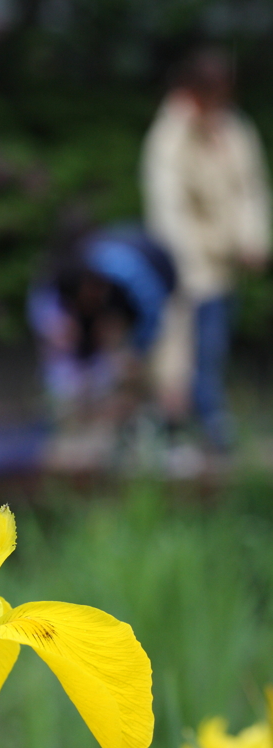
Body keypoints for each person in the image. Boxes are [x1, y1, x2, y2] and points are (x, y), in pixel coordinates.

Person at [141, 47, 271, 451]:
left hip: (222, 267)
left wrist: (254, 240)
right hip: (185, 266)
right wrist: (180, 263)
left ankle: (208, 432)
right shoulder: (170, 134)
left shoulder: (234, 129)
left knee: (211, 349)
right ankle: (192, 430)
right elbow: (167, 206)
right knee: (178, 357)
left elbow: (250, 189)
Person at [27, 223, 175, 427]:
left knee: (128, 369)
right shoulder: (53, 293)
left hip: (160, 268)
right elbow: (55, 341)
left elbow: (152, 310)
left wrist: (140, 347)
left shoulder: (125, 274)